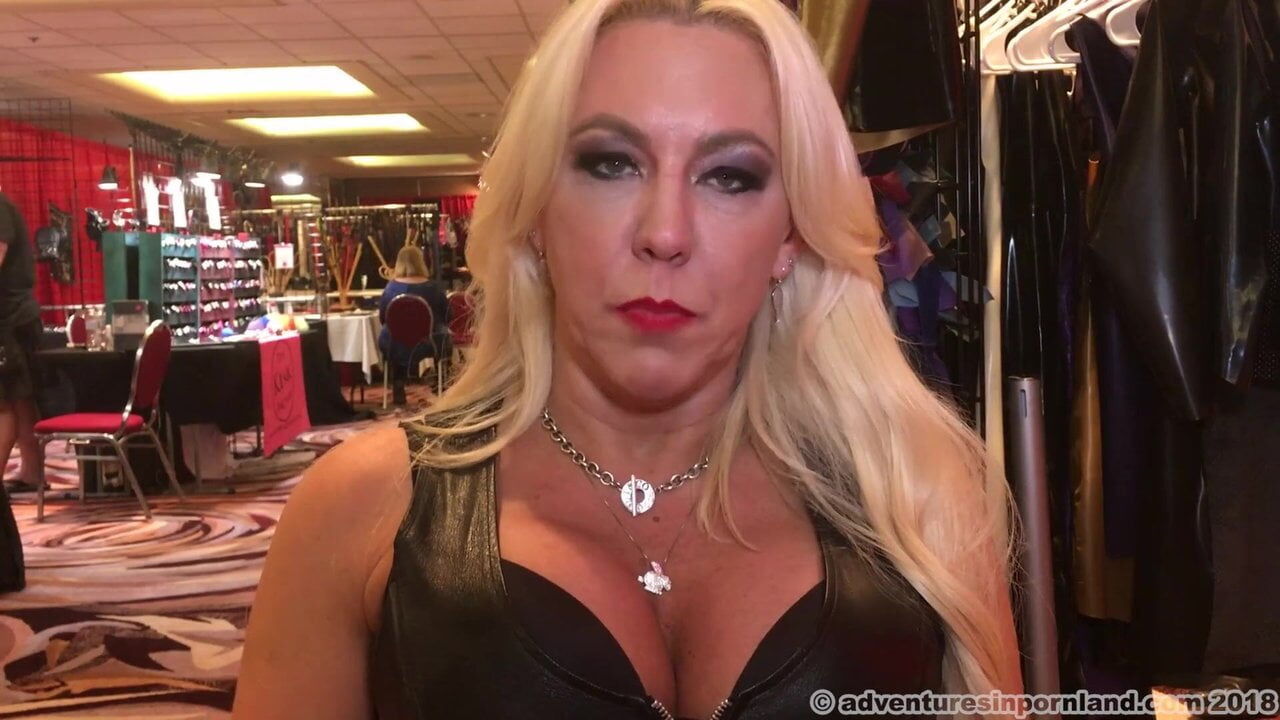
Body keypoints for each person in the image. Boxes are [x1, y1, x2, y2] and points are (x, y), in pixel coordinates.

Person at [233, 0, 1023, 718]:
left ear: (790, 235)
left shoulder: (915, 494)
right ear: (536, 210)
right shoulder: (362, 506)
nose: (665, 232)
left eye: (729, 176)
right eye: (611, 163)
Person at [0, 189, 42, 593]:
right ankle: (32, 471)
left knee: (8, 401)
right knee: (20, 399)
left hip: (9, 320)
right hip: (16, 318)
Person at [376, 246, 449, 405]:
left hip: (395, 344)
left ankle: (398, 385)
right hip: (428, 344)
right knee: (444, 335)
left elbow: (383, 318)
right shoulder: (434, 288)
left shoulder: (390, 288)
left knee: (393, 334)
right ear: (421, 262)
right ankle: (442, 381)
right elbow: (447, 315)